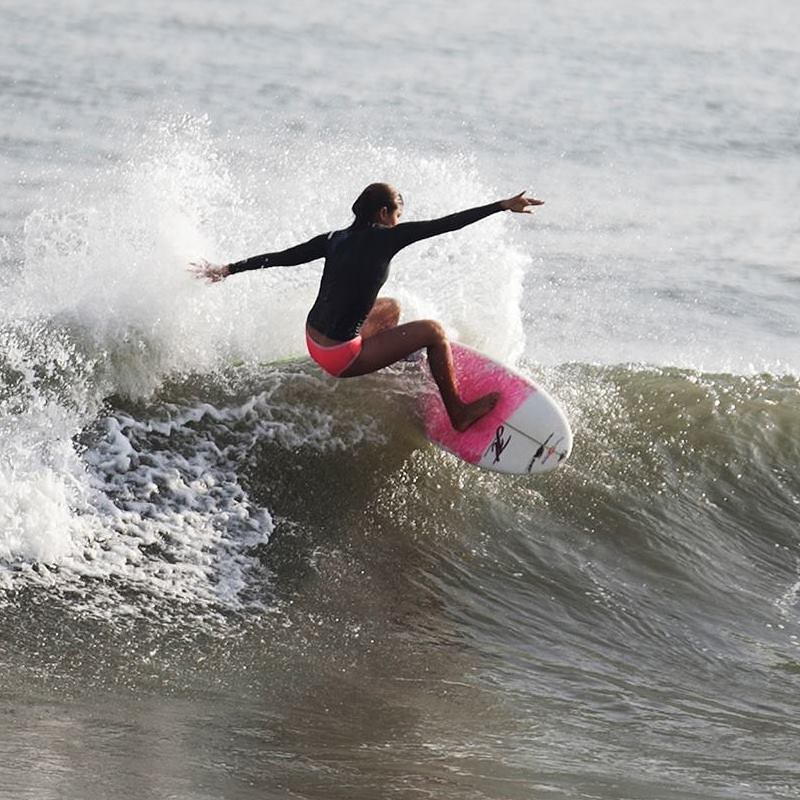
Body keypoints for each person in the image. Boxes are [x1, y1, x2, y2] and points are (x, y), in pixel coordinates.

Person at [191, 184, 543, 432]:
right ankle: (459, 412)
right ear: (384, 212)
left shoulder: (333, 239)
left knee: (391, 308)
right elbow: (447, 224)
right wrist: (500, 206)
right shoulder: (389, 236)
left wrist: (229, 269)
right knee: (434, 332)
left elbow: (284, 257)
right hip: (341, 357)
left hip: (313, 340)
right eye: (398, 213)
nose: (399, 220)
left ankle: (392, 359)